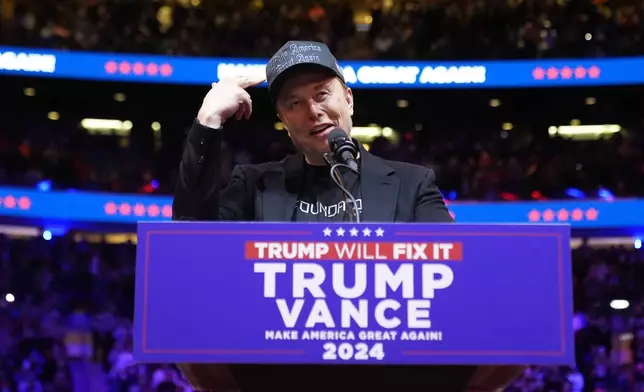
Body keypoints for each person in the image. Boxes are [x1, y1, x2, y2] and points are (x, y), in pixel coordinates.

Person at [172, 41, 524, 392]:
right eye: (295, 103)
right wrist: (208, 121)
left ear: (349, 99)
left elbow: (452, 278)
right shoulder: (253, 184)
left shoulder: (412, 183)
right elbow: (189, 241)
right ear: (283, 119)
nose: (313, 110)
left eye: (323, 94)